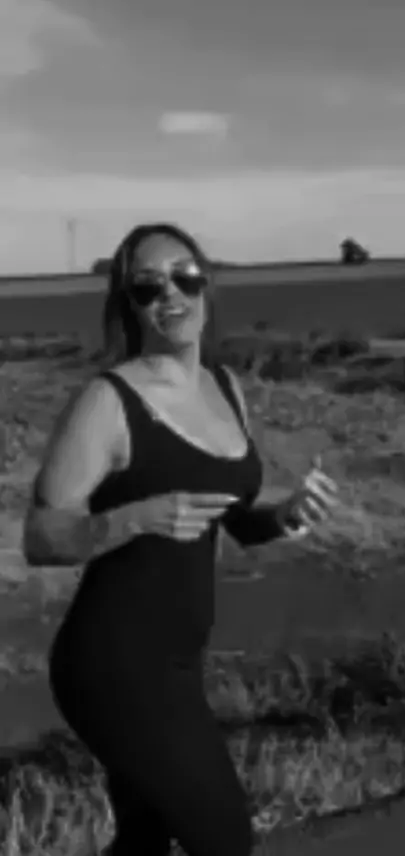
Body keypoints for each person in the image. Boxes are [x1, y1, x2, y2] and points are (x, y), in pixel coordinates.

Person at [22, 222, 338, 856]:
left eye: (184, 276)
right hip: (112, 664)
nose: (171, 294)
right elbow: (41, 535)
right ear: (129, 304)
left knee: (144, 839)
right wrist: (135, 518)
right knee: (224, 839)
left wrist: (284, 514)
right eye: (148, 285)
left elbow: (230, 516)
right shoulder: (108, 402)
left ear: (205, 284)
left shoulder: (224, 388)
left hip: (178, 660)